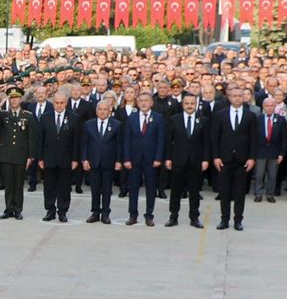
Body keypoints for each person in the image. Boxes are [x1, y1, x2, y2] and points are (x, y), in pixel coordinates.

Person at [210, 87, 261, 230]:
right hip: (224, 159)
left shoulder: (250, 116)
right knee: (224, 192)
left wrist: (252, 158)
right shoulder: (220, 115)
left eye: (240, 95)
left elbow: (253, 139)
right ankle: (224, 219)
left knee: (239, 192)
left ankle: (238, 220)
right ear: (229, 97)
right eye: (234, 95)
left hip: (242, 160)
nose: (237, 98)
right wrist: (216, 157)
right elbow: (215, 138)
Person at [164, 93, 209, 228]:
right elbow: (168, 141)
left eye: (192, 103)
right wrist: (168, 158)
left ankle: (194, 218)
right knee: (176, 191)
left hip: (196, 161)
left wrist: (206, 159)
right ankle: (173, 217)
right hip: (178, 160)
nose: (189, 106)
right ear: (182, 105)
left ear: (196, 105)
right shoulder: (174, 119)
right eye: (187, 103)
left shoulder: (203, 120)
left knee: (195, 192)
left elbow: (207, 142)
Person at [121, 91, 164, 227]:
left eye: (146, 100)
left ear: (151, 103)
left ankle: (149, 215)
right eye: (141, 101)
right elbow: (126, 140)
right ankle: (133, 215)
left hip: (151, 159)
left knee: (151, 188)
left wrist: (158, 157)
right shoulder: (132, 118)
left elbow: (161, 140)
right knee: (133, 187)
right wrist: (126, 158)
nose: (144, 103)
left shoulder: (158, 118)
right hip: (134, 159)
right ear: (137, 103)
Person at [0, 92, 35, 221]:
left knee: (18, 184)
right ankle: (8, 209)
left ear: (21, 99)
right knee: (8, 184)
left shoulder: (27, 116)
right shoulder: (4, 114)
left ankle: (18, 209)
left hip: (21, 154)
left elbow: (31, 137)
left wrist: (31, 156)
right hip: (6, 154)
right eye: (11, 98)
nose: (14, 100)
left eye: (16, 98)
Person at [80, 98, 120, 224]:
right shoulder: (89, 124)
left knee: (107, 189)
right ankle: (95, 212)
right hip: (93, 161)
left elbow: (119, 145)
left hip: (109, 161)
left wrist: (119, 161)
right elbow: (84, 143)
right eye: (100, 109)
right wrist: (84, 159)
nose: (102, 112)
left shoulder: (116, 124)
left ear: (110, 111)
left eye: (105, 109)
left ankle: (105, 213)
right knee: (95, 188)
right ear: (96, 111)